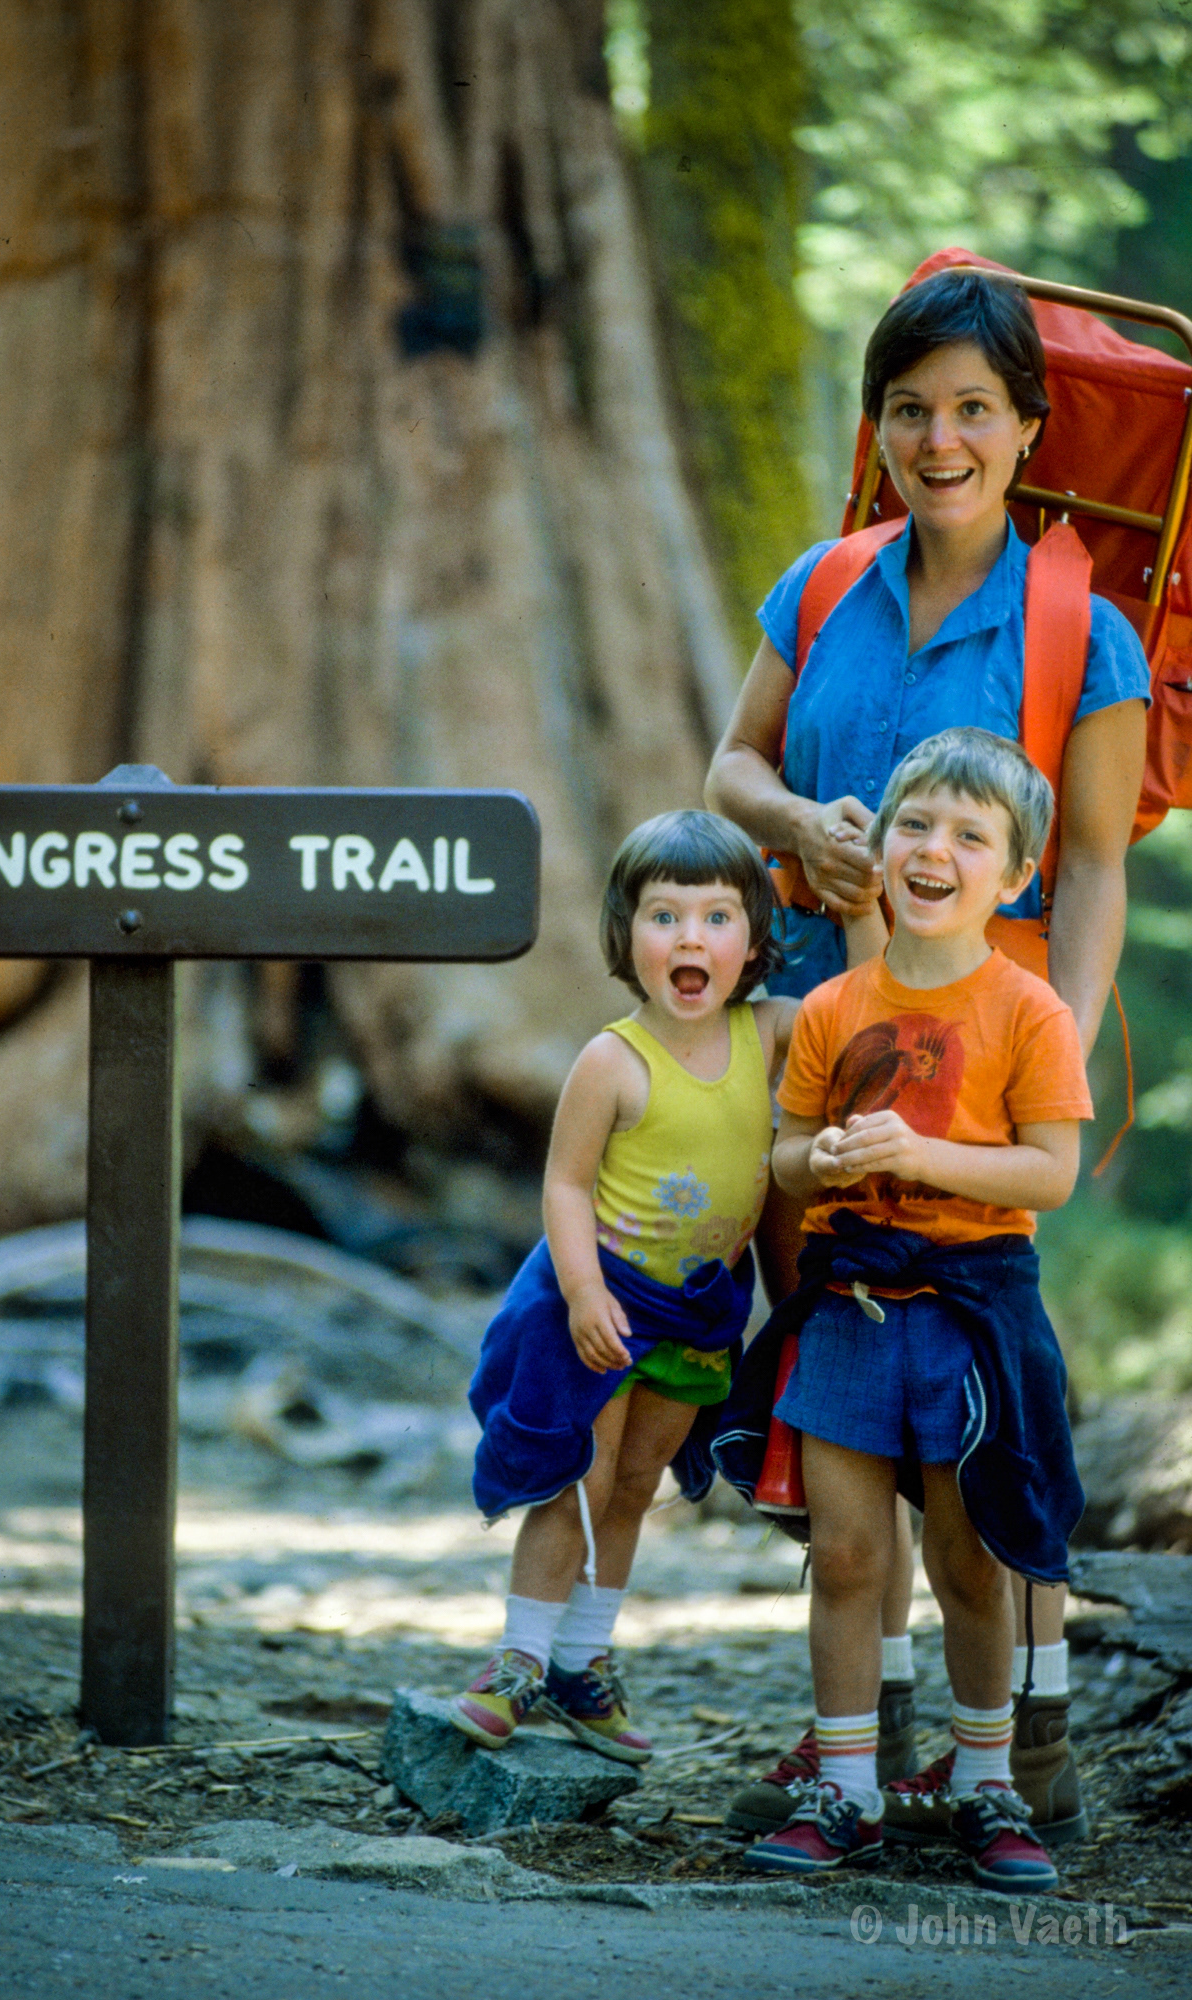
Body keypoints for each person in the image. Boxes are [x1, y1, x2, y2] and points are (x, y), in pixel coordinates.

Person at [705, 267, 1149, 1841]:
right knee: (838, 1405)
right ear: (875, 424)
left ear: (1027, 430)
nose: (937, 436)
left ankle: (1022, 1748)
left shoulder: (1078, 631)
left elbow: (1088, 863)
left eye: (971, 408)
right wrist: (792, 827)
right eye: (908, 407)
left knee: (987, 1412)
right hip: (810, 1049)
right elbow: (730, 764)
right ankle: (864, 1737)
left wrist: (1062, 1063)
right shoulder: (818, 587)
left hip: (980, 1069)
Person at [722, 726, 1089, 1889]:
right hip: (850, 1306)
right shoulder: (831, 1005)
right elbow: (778, 1158)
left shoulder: (1030, 1011)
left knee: (970, 1558)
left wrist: (928, 1156)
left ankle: (987, 1785)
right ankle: (846, 1785)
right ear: (881, 848)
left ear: (1016, 873)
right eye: (916, 825)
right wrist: (820, 1160)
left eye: (970, 836)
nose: (936, 850)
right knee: (842, 1553)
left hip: (974, 1311)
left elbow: (1049, 1174)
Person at [452, 810, 795, 1762]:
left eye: (718, 918)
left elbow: (863, 1004)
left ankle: (582, 1662)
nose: (690, 938)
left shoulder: (767, 1035)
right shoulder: (613, 1060)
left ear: (755, 940)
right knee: (577, 1476)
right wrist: (579, 1293)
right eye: (663, 916)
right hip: (602, 1303)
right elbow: (563, 1184)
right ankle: (519, 1659)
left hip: (697, 1314)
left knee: (638, 1482)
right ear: (625, 936)